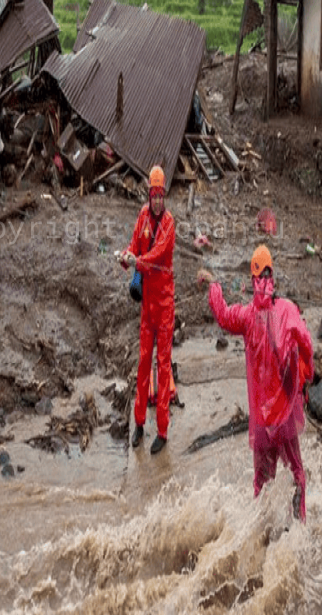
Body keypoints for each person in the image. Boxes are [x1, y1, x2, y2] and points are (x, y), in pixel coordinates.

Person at [197, 245, 314, 521]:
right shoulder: (287, 309)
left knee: (261, 482)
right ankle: (300, 521)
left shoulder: (247, 317)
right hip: (285, 416)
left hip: (262, 421)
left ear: (252, 279)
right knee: (297, 471)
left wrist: (214, 285)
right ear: (273, 277)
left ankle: (260, 532)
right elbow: (306, 344)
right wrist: (305, 376)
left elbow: (223, 315)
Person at [120, 165, 176, 455]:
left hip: (165, 306)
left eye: (160, 196)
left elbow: (155, 254)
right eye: (153, 196)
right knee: (143, 362)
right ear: (149, 195)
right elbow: (135, 245)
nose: (156, 201)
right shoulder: (142, 215)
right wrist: (125, 256)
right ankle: (139, 423)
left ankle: (163, 430)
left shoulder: (169, 223)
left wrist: (136, 261)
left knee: (163, 366)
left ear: (164, 195)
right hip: (147, 308)